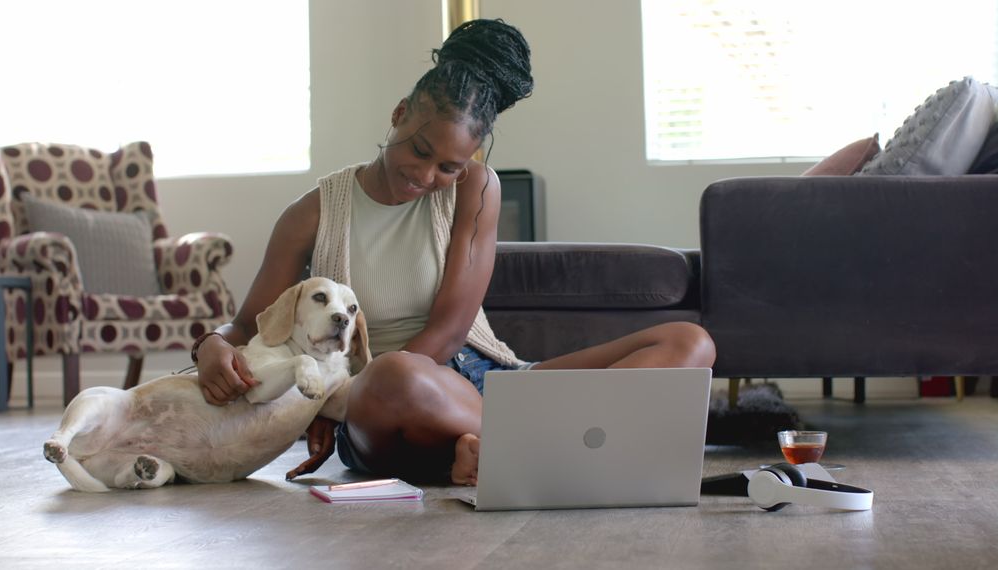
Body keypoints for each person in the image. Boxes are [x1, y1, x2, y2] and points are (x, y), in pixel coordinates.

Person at [192, 19, 716, 485]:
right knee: (394, 373)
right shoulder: (313, 213)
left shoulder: (477, 187)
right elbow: (249, 327)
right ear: (399, 115)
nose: (426, 177)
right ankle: (567, 448)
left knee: (688, 341)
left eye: (448, 167)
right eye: (420, 150)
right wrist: (211, 345)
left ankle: (494, 453)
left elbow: (448, 331)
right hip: (380, 403)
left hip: (488, 385)